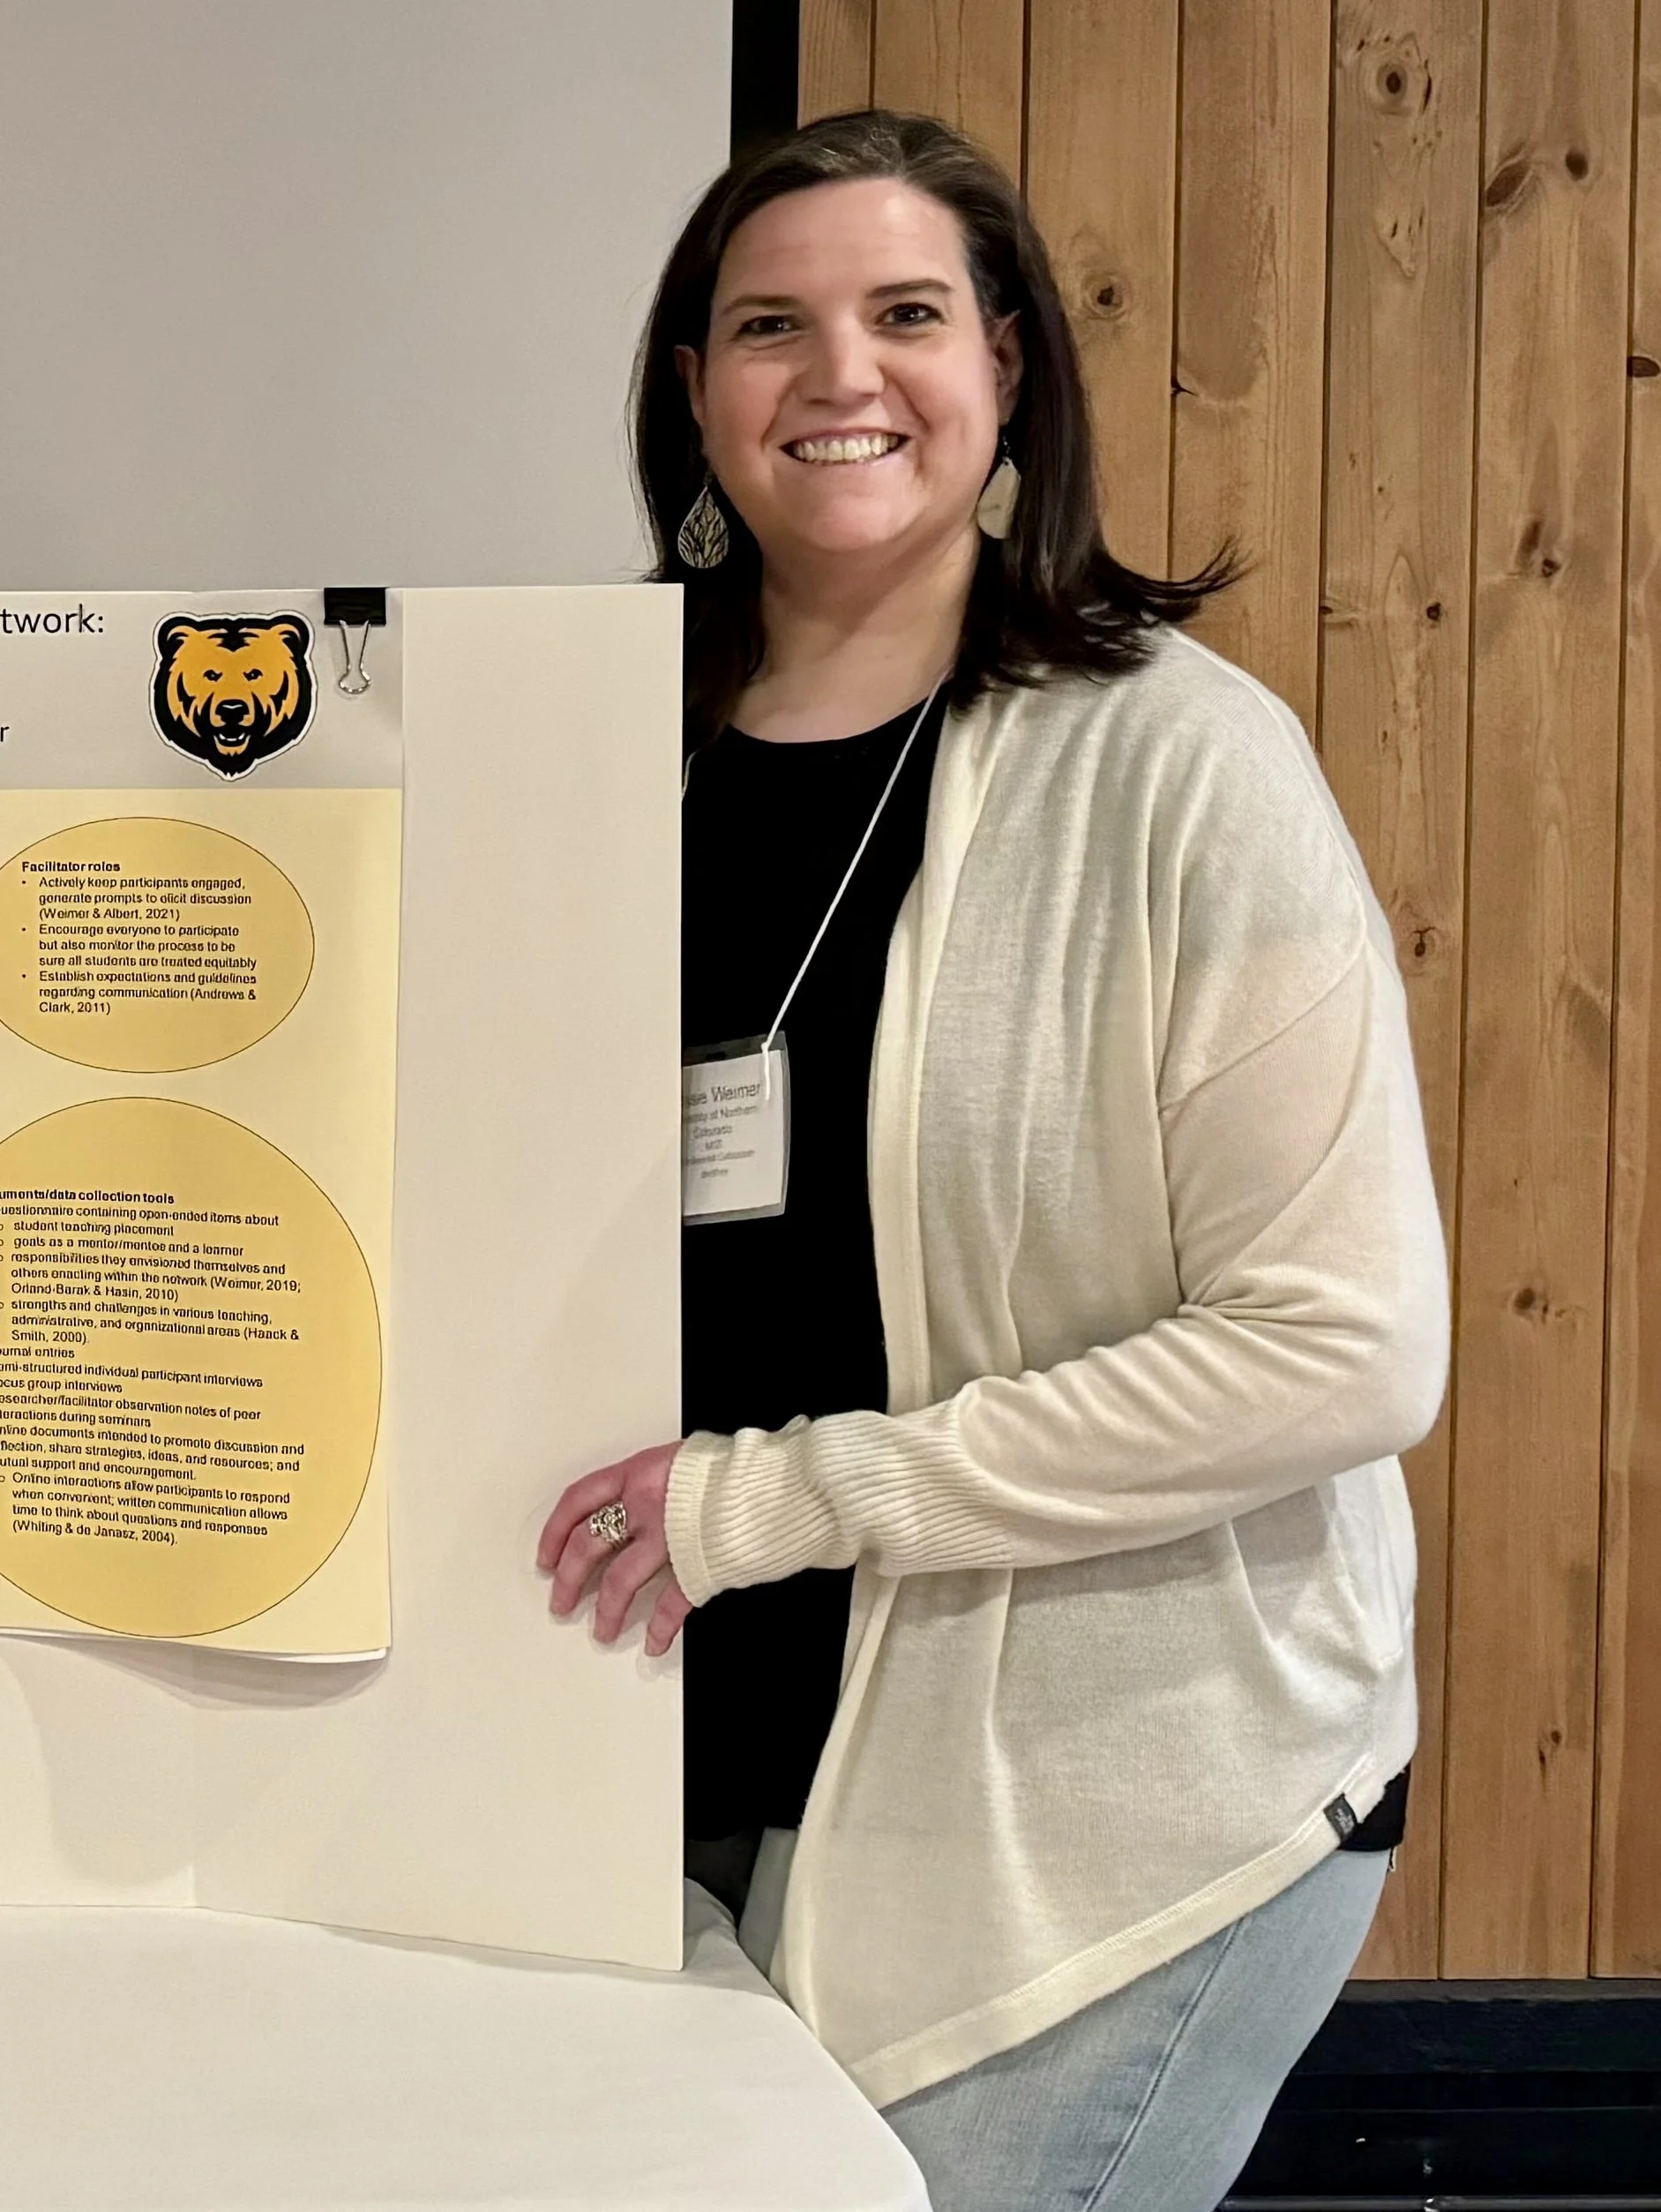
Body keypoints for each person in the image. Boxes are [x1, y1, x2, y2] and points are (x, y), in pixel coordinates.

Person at [536, 108, 1449, 2212]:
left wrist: (782, 1497)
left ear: (1009, 365)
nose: (836, 374)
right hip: (648, 1749)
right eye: (766, 324)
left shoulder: (1181, 764)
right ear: (694, 393)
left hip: (1093, 1805)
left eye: (907, 313)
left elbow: (1341, 1350)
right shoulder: (578, 754)